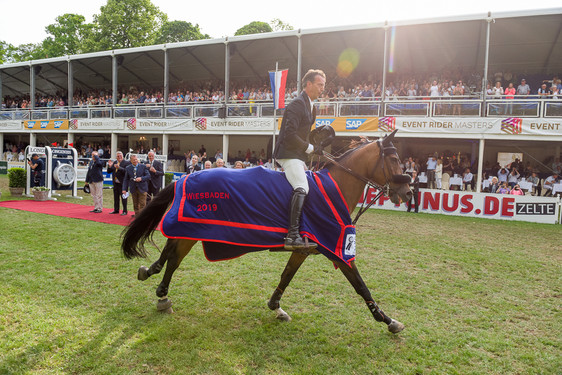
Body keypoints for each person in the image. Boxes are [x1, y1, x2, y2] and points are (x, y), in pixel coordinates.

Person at [274, 69, 326, 250]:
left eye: (323, 86)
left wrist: (316, 142)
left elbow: (304, 133)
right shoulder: (297, 104)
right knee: (302, 187)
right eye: (320, 85)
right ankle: (292, 236)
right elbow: (289, 134)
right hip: (288, 153)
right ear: (308, 84)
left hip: (297, 154)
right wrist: (310, 148)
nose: (322, 89)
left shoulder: (312, 106)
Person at [106, 151, 131, 215]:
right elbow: (109, 171)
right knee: (116, 197)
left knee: (124, 198)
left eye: (120, 156)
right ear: (116, 157)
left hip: (123, 183)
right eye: (118, 156)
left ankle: (125, 211)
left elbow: (127, 171)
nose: (119, 157)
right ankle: (116, 210)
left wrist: (119, 168)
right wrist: (109, 166)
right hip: (115, 183)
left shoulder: (127, 163)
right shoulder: (115, 162)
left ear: (122, 156)